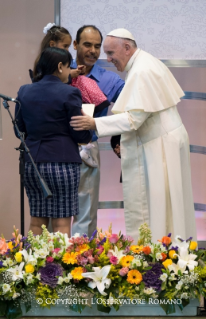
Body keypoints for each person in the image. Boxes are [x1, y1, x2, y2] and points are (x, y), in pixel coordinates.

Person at [70, 28, 197, 243]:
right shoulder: (143, 63)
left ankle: (161, 253)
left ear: (127, 48)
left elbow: (133, 119)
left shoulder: (141, 71)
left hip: (161, 145)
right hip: (162, 141)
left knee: (160, 204)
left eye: (110, 53)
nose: (108, 59)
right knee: (166, 204)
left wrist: (94, 123)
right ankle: (167, 251)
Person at [15, 47, 92, 236]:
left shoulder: (24, 91)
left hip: (33, 163)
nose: (69, 71)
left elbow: (19, 130)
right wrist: (88, 130)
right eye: (68, 67)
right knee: (61, 223)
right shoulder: (69, 92)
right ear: (59, 66)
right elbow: (79, 133)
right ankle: (59, 265)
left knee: (37, 220)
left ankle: (33, 263)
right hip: (63, 163)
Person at [71, 25, 125, 237]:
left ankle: (81, 262)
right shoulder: (60, 72)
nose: (93, 50)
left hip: (88, 150)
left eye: (97, 46)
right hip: (56, 148)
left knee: (86, 212)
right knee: (55, 211)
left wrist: (117, 138)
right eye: (87, 45)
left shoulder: (110, 80)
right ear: (75, 45)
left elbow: (130, 108)